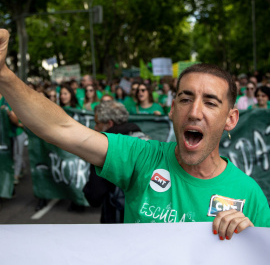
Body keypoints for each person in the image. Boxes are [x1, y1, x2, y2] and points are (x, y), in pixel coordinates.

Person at [0, 29, 269, 240]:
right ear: (172, 109)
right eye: (186, 99)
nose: (195, 112)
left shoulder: (250, 195)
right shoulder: (141, 157)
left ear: (231, 118)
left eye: (210, 102)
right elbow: (59, 129)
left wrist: (249, 242)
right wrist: (4, 74)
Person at [83, 101, 149, 223]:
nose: (95, 128)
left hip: (117, 219)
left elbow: (94, 196)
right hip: (144, 218)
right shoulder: (145, 141)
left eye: (97, 123)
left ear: (109, 124)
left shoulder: (105, 148)